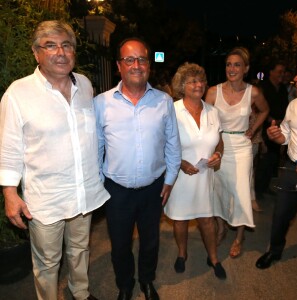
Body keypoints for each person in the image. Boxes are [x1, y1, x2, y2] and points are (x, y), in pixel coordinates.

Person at [0, 20, 110, 300]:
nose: (60, 52)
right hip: (45, 198)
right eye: (51, 46)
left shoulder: (84, 84)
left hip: (83, 191)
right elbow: (9, 147)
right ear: (36, 53)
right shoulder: (18, 93)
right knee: (48, 263)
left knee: (80, 249)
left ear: (74, 51)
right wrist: (10, 193)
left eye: (66, 45)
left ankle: (80, 293)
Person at [94, 37, 181, 300]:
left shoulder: (164, 101)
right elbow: (96, 148)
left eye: (142, 59)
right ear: (119, 66)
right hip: (116, 191)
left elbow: (173, 145)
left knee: (150, 241)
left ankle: (146, 280)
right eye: (129, 59)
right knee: (120, 245)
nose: (136, 65)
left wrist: (169, 181)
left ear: (149, 65)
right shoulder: (101, 103)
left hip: (153, 188)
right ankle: (124, 285)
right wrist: (99, 185)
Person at [205, 47, 269, 258]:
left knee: (240, 191)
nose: (231, 69)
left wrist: (254, 128)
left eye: (237, 65)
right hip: (219, 146)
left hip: (242, 147)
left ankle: (239, 237)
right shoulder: (213, 92)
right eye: (228, 64)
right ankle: (222, 227)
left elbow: (265, 110)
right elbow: (205, 120)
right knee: (220, 189)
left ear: (246, 69)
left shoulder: (254, 92)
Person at [163, 62, 226, 280]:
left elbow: (220, 141)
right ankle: (182, 254)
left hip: (204, 175)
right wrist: (180, 163)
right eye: (192, 81)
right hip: (181, 176)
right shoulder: (172, 110)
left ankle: (214, 258)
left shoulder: (213, 111)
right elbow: (162, 144)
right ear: (182, 85)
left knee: (206, 220)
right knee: (180, 220)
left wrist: (218, 154)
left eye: (201, 80)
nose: (198, 85)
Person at [256, 70, 297, 269]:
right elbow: (286, 135)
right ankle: (274, 250)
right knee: (281, 213)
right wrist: (275, 135)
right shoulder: (294, 105)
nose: (296, 79)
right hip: (292, 167)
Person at [255, 61, 289, 197]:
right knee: (264, 159)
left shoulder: (282, 89)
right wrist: (270, 120)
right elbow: (258, 109)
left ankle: (265, 187)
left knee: (273, 159)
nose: (282, 75)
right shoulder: (263, 87)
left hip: (279, 128)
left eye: (283, 72)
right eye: (279, 71)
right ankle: (257, 190)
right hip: (264, 128)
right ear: (271, 72)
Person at [249, 106, 263, 212]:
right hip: (242, 144)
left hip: (254, 144)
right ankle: (252, 200)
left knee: (249, 172)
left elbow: (259, 130)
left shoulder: (259, 112)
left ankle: (252, 200)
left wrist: (262, 143)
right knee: (248, 172)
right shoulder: (245, 109)